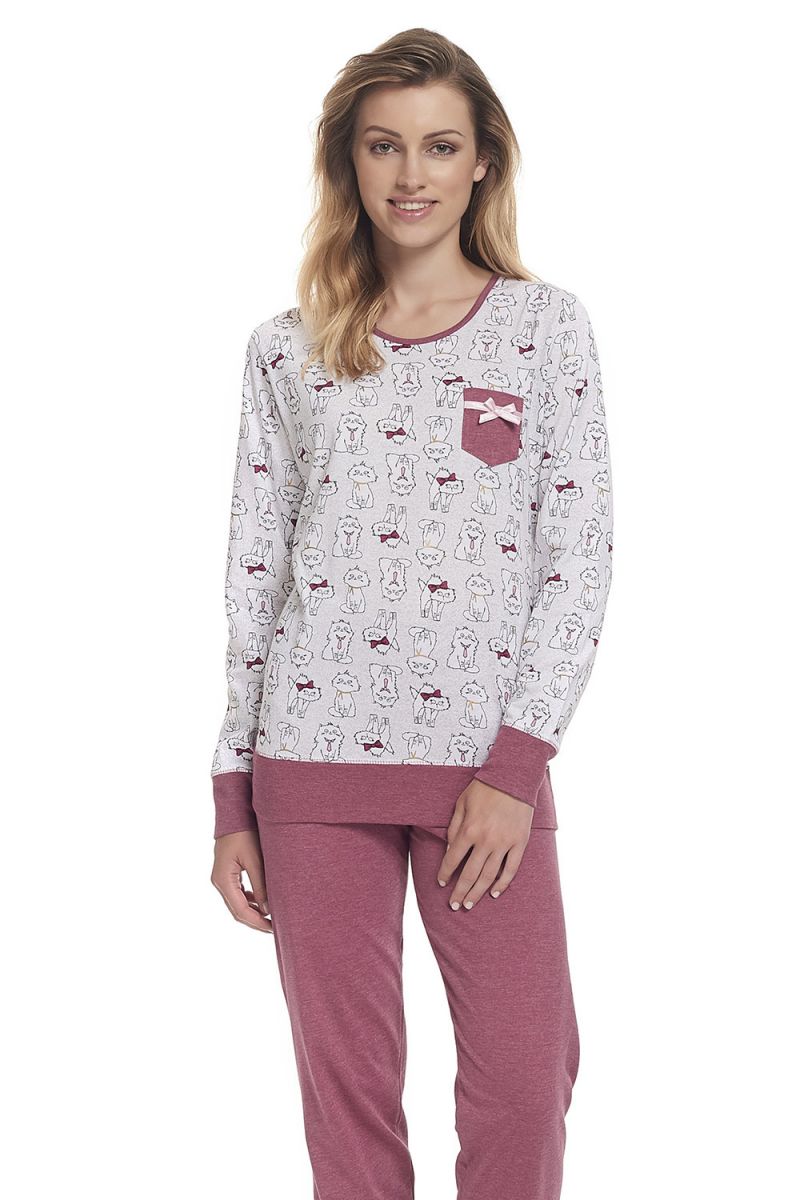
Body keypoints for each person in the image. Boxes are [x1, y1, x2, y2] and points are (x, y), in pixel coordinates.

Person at [209, 26, 614, 1200]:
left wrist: (515, 766)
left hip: (481, 774)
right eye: (382, 145)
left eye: (439, 146)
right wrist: (231, 793)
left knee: (525, 1078)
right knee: (345, 1099)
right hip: (308, 767)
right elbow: (252, 578)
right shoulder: (285, 351)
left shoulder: (544, 330)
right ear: (348, 159)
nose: (409, 174)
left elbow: (578, 560)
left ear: (483, 160)